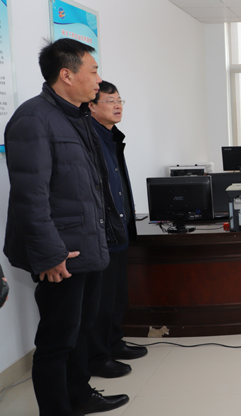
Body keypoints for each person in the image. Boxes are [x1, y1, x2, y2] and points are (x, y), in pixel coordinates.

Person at [3, 38, 129, 415]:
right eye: (93, 71)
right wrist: (50, 255)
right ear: (67, 75)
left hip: (86, 245)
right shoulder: (33, 119)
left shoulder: (78, 116)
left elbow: (89, 186)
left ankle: (79, 395)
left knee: (81, 329)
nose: (99, 79)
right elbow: (30, 196)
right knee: (57, 340)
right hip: (61, 253)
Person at [87, 81, 147, 379]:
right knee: (101, 299)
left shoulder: (111, 137)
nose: (118, 105)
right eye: (110, 100)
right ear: (91, 106)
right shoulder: (90, 138)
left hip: (119, 227)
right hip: (102, 232)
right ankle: (98, 357)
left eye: (120, 100)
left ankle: (113, 342)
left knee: (117, 295)